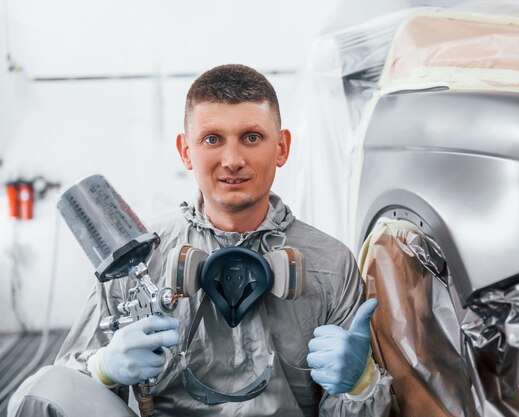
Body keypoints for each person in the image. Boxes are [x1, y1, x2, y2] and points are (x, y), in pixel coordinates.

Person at [9, 64, 392, 416]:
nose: (232, 160)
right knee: (43, 389)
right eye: (212, 139)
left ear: (282, 148)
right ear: (185, 151)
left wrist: (360, 386)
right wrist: (103, 368)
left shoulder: (330, 263)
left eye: (251, 137)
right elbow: (64, 383)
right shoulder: (139, 257)